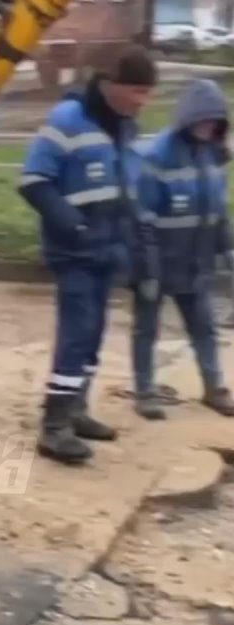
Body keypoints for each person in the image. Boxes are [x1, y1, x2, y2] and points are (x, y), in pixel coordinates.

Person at [18, 46, 159, 465]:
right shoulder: (67, 120)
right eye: (137, 91)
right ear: (111, 85)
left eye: (148, 93)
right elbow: (33, 180)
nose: (143, 101)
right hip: (75, 251)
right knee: (77, 334)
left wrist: (136, 246)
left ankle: (76, 409)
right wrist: (75, 227)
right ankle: (54, 425)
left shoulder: (125, 128)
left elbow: (126, 191)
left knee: (93, 335)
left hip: (109, 250)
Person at [132, 78, 234, 419]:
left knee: (204, 327)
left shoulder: (212, 158)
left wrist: (227, 249)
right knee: (147, 328)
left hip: (195, 263)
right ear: (188, 118)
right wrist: (147, 268)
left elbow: (218, 211)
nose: (208, 128)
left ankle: (214, 388)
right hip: (157, 262)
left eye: (215, 123)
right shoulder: (157, 157)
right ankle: (145, 391)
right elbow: (143, 216)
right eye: (204, 121)